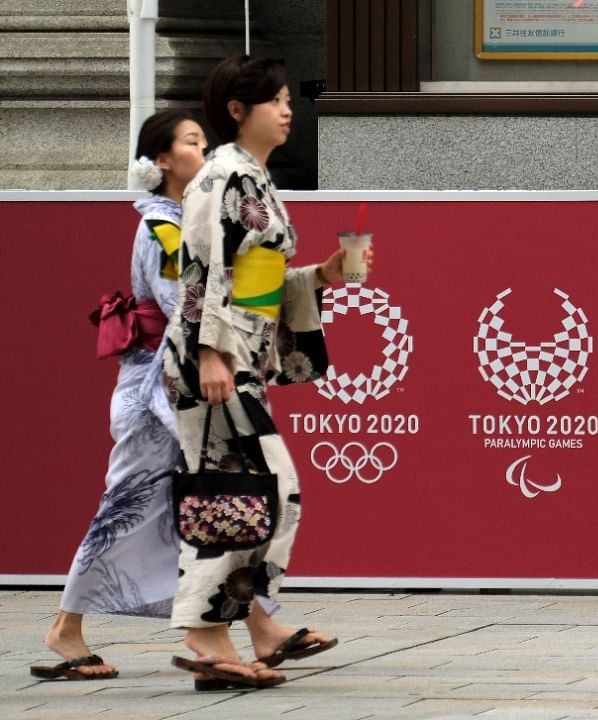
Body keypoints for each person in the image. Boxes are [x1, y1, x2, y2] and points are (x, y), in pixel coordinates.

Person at [162, 55, 350, 690]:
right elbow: (203, 272)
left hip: (235, 356)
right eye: (273, 99)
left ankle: (254, 629)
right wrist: (211, 351)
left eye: (288, 98)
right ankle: (204, 631)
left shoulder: (254, 178)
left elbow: (255, 281)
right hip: (213, 361)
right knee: (247, 497)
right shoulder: (222, 176)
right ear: (237, 111)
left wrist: (320, 276)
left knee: (247, 500)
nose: (287, 108)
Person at [30, 109, 207, 681]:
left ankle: (217, 630)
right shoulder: (163, 227)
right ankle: (67, 626)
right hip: (155, 388)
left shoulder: (179, 219)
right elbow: (188, 305)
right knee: (126, 507)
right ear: (161, 160)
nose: (203, 149)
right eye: (191, 141)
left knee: (189, 509)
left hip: (168, 383)